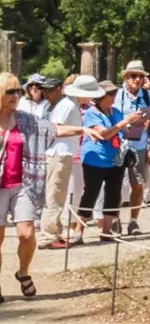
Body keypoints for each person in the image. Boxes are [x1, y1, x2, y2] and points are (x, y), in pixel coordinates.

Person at [1, 71, 51, 300]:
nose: (16, 96)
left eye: (18, 91)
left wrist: (85, 131)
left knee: (26, 233)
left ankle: (23, 272)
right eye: (10, 91)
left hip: (23, 184)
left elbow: (53, 129)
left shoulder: (24, 119)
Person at [75, 77, 126, 240]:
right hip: (95, 159)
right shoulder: (91, 113)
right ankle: (78, 231)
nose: (114, 95)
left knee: (113, 194)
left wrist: (137, 125)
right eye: (111, 93)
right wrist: (124, 123)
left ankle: (106, 231)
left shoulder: (116, 112)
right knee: (91, 193)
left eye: (115, 92)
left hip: (116, 157)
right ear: (101, 95)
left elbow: (124, 133)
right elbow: (103, 134)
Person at [39, 74, 85, 248]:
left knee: (56, 194)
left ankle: (53, 232)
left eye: (50, 90)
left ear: (59, 89)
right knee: (55, 195)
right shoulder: (64, 105)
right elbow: (55, 130)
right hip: (58, 153)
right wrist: (82, 130)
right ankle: (49, 236)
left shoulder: (61, 104)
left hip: (58, 153)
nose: (46, 94)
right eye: (44, 91)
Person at [114, 60, 150, 235]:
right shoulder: (116, 95)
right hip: (118, 146)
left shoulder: (149, 97)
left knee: (138, 184)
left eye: (141, 76)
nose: (138, 79)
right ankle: (115, 219)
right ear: (126, 77)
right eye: (134, 76)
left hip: (139, 145)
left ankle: (133, 220)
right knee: (115, 184)